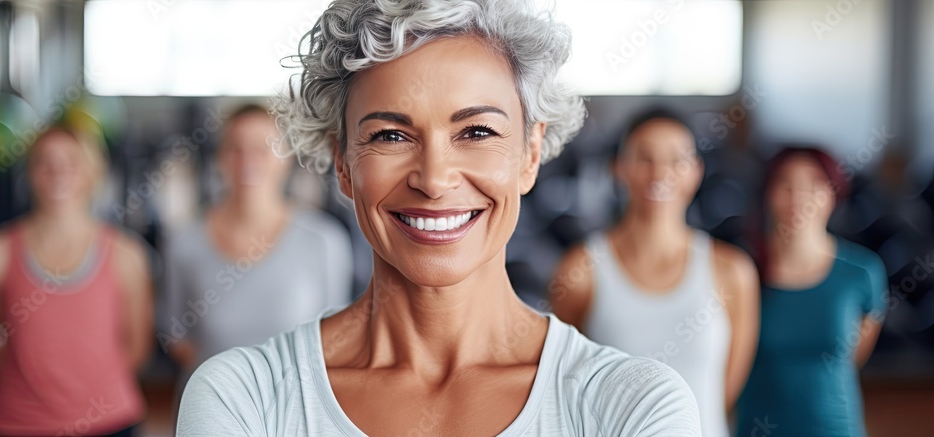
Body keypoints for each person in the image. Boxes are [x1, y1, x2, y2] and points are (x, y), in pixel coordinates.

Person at [177, 1, 701, 435]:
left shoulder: (636, 409)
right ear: (342, 163)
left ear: (530, 153)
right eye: (391, 135)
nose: (433, 178)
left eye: (476, 132)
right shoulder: (243, 400)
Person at [549, 109, 760, 437]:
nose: (660, 172)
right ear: (618, 168)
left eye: (677, 160)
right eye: (644, 158)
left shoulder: (733, 271)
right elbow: (566, 380)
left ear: (696, 172)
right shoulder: (580, 270)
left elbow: (726, 390)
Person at [0, 126, 151, 436]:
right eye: (44, 162)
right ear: (30, 173)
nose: (57, 173)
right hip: (18, 423)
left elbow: (136, 346)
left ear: (92, 172)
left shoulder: (127, 255)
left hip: (111, 423)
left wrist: (81, 395)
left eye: (71, 162)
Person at [161, 104, 353, 395]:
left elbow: (338, 340)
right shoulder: (185, 242)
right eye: (235, 148)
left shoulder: (325, 241)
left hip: (293, 413)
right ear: (220, 158)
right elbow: (177, 339)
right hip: (211, 409)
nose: (248, 159)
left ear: (286, 157)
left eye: (263, 147)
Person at [736, 147, 887, 437]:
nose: (798, 197)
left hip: (835, 428)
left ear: (833, 193)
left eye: (814, 184)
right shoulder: (742, 271)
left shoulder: (862, 273)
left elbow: (855, 354)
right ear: (768, 192)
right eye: (786, 184)